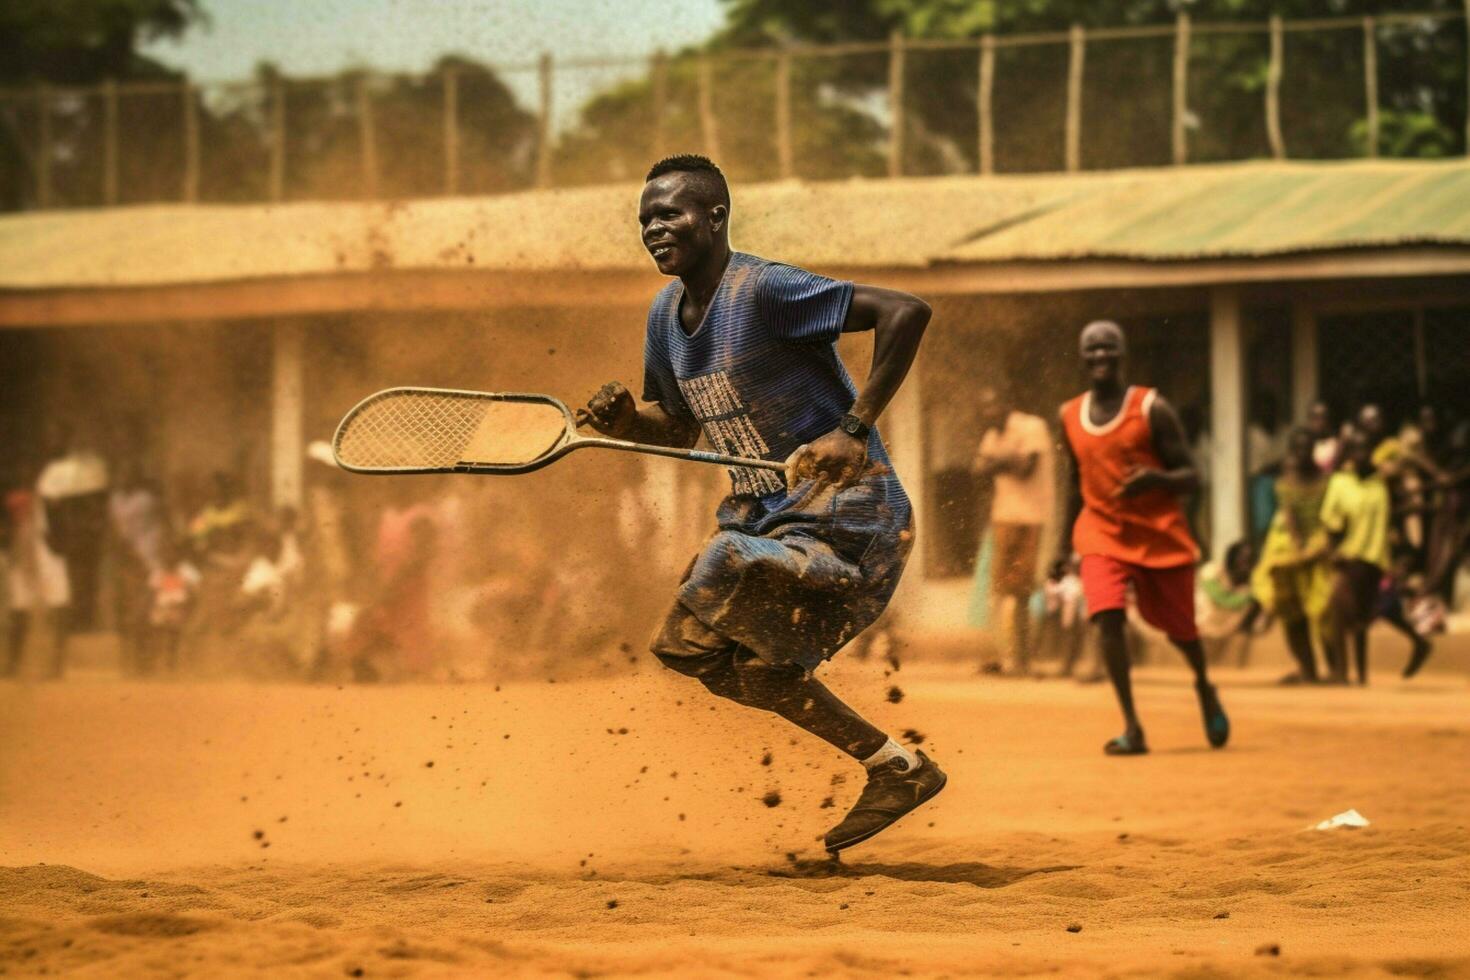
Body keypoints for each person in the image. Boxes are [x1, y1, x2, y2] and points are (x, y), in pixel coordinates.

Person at [580, 154, 941, 854]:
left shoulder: (766, 290)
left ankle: (895, 767)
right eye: (645, 219)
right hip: (771, 522)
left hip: (852, 522)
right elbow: (682, 429)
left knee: (724, 557)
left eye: (671, 213)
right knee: (706, 658)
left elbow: (906, 312)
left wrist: (854, 428)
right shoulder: (664, 317)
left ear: (716, 217)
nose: (656, 227)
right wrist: (625, 419)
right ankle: (897, 768)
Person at [1055, 320, 1228, 756]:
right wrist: (1061, 548)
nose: (1100, 356)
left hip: (1157, 535)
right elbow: (1074, 484)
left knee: (1182, 632)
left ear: (1122, 353)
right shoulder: (1070, 415)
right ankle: (1132, 726)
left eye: (1108, 348)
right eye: (1091, 349)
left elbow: (1193, 476)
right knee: (1107, 616)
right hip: (1101, 532)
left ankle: (1204, 686)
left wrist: (1155, 479)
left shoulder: (1151, 408)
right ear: (1082, 356)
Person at [1320, 430, 1432, 683]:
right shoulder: (1340, 482)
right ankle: (1355, 674)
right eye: (1355, 450)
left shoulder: (1382, 482)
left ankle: (1345, 673)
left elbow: (1398, 506)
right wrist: (1333, 551)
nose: (1360, 455)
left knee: (1349, 613)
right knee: (1351, 612)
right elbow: (1330, 522)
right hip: (1350, 555)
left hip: (1376, 558)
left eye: (1365, 449)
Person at [970, 386, 1054, 675]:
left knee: (1022, 591)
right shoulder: (993, 436)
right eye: (984, 408)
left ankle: (1023, 660)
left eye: (992, 406)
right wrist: (1005, 460)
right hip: (1003, 517)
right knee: (1000, 590)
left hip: (1030, 517)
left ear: (1007, 403)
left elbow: (1026, 468)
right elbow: (978, 471)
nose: (987, 413)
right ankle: (1005, 659)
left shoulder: (1032, 427)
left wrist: (996, 462)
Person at [1253, 427, 1332, 684]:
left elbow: (1329, 518)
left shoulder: (1327, 481)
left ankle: (1335, 670)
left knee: (1323, 613)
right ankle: (1307, 670)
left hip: (1322, 545)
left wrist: (1317, 548)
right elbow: (1290, 519)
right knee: (1290, 612)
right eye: (1296, 449)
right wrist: (1300, 548)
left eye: (1305, 448)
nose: (1300, 454)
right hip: (1295, 548)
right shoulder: (1285, 483)